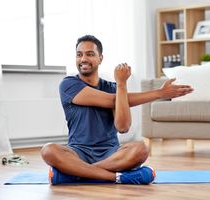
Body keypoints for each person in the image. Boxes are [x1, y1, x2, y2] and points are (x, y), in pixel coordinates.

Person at [41, 35, 193, 185]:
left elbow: (123, 127)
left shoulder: (114, 88)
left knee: (141, 149)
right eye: (79, 55)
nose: (83, 59)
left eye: (90, 54)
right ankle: (117, 177)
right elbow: (111, 100)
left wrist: (121, 85)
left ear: (100, 58)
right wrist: (159, 93)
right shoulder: (68, 84)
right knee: (48, 150)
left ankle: (75, 174)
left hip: (111, 154)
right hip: (78, 152)